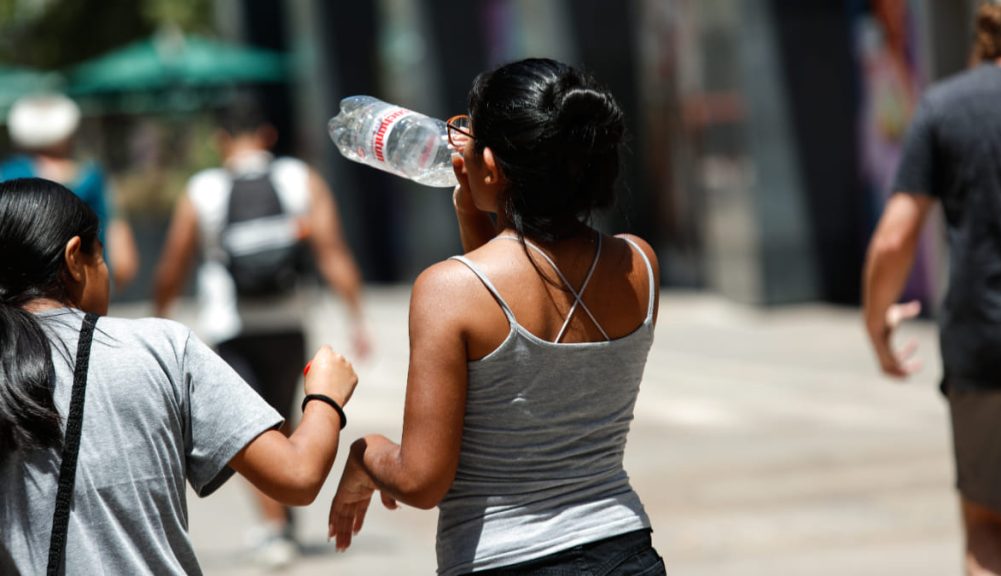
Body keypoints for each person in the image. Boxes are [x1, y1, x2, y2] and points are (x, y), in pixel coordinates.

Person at [327, 58, 667, 575]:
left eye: (468, 130)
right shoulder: (640, 265)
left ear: (490, 165)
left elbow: (422, 480)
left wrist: (364, 456)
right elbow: (529, 292)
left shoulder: (448, 290)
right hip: (624, 549)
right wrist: (474, 211)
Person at [0, 177, 357, 575]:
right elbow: (297, 475)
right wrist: (326, 396)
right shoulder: (159, 347)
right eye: (100, 257)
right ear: (74, 259)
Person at [153, 96, 370, 567]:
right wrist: (357, 319)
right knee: (283, 415)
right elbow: (333, 252)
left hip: (231, 326)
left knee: (252, 427)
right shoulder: (301, 179)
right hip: (289, 322)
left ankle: (275, 528)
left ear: (220, 140)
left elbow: (173, 264)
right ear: (268, 136)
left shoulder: (203, 189)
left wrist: (159, 316)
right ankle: (282, 517)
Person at [863, 3, 1001, 574]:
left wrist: (877, 326)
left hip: (987, 347)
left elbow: (893, 239)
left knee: (987, 526)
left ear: (981, 38)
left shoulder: (945, 107)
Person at [0, 93, 139, 292]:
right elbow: (124, 261)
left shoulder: (6, 174)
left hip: (18, 298)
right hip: (84, 289)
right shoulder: (92, 177)